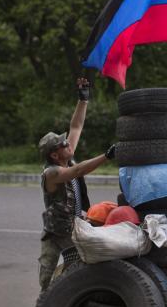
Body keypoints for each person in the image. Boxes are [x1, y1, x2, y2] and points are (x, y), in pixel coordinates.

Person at [36, 77, 116, 291]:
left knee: (77, 272)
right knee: (46, 280)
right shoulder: (52, 173)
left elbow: (76, 125)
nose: (68, 143)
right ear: (54, 154)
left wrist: (83, 99)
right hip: (56, 234)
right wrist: (106, 157)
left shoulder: (65, 157)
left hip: (75, 228)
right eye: (63, 144)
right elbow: (78, 171)